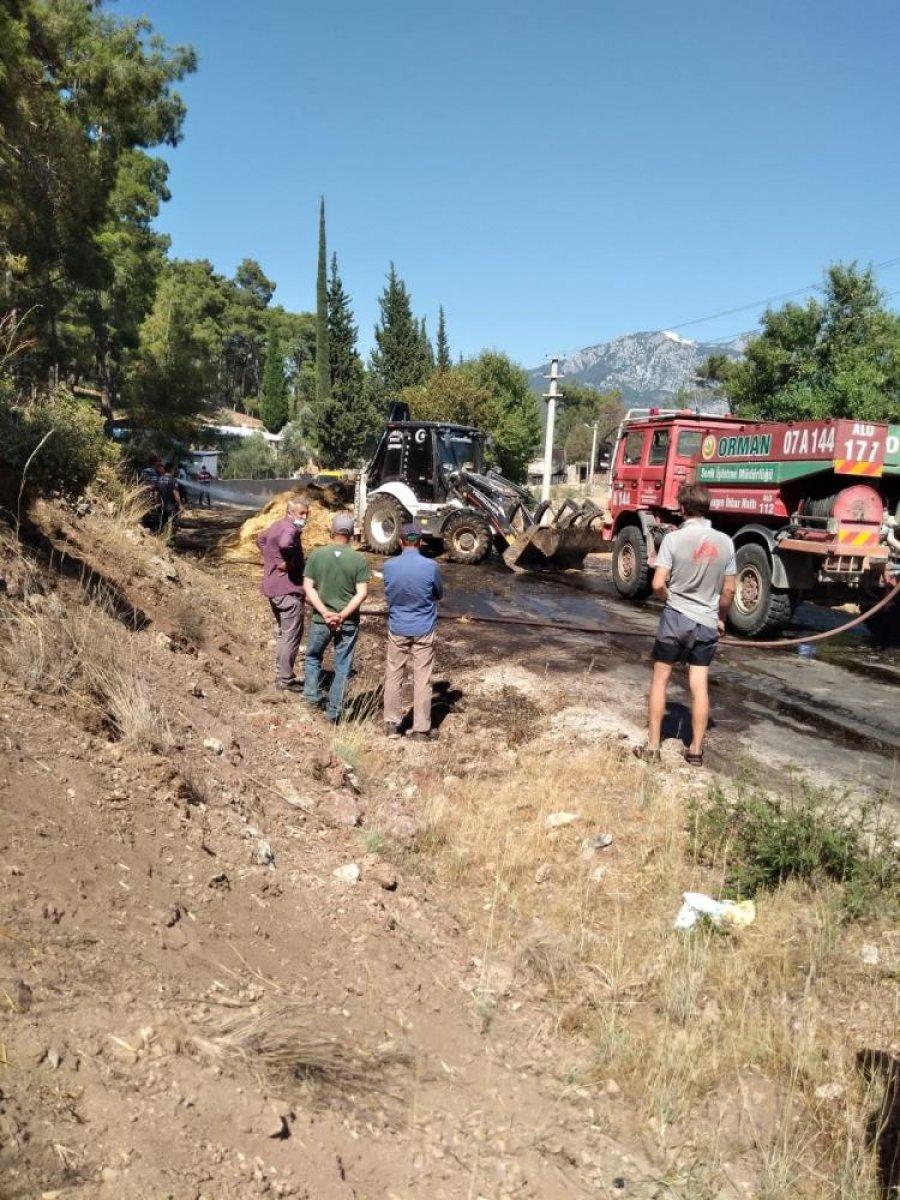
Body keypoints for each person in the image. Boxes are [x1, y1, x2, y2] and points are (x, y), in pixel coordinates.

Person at [636, 482, 736, 766]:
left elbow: (658, 584)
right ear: (707, 508)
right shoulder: (726, 542)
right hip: (706, 622)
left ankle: (653, 748)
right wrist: (720, 618)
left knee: (660, 681)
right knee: (699, 686)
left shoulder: (673, 539)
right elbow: (729, 590)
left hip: (675, 619)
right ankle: (695, 751)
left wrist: (672, 600)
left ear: (682, 508)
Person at [302, 514, 370, 723]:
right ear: (351, 534)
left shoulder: (317, 555)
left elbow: (308, 587)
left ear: (332, 532)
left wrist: (324, 612)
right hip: (347, 622)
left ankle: (312, 698)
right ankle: (334, 711)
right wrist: (341, 615)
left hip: (321, 620)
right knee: (343, 666)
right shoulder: (359, 559)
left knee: (313, 657)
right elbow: (362, 593)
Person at [382, 523, 443, 741]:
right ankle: (420, 730)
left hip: (398, 626)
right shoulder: (431, 566)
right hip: (424, 628)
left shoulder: (388, 566)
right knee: (422, 678)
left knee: (394, 673)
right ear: (420, 541)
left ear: (400, 541)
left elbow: (389, 593)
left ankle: (391, 725)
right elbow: (439, 593)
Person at [258, 498, 309, 692]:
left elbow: (260, 539)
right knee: (291, 636)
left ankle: (282, 674)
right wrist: (289, 562)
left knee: (283, 633)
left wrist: (272, 558)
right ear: (290, 513)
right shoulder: (289, 529)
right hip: (287, 591)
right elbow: (286, 544)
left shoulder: (277, 525)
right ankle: (285, 680)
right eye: (301, 513)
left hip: (273, 589)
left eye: (306, 513)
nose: (305, 517)